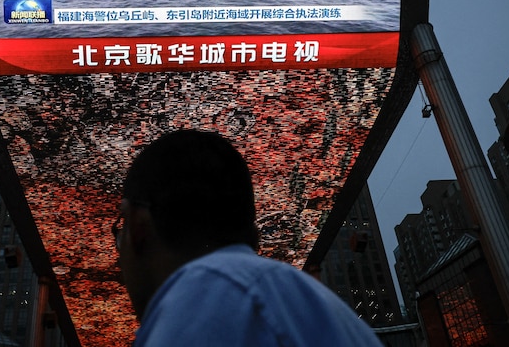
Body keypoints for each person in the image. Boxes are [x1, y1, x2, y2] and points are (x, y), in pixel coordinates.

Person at [113, 128, 383, 346]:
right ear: (252, 233)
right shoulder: (316, 306)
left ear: (137, 224)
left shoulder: (208, 295)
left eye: (120, 228)